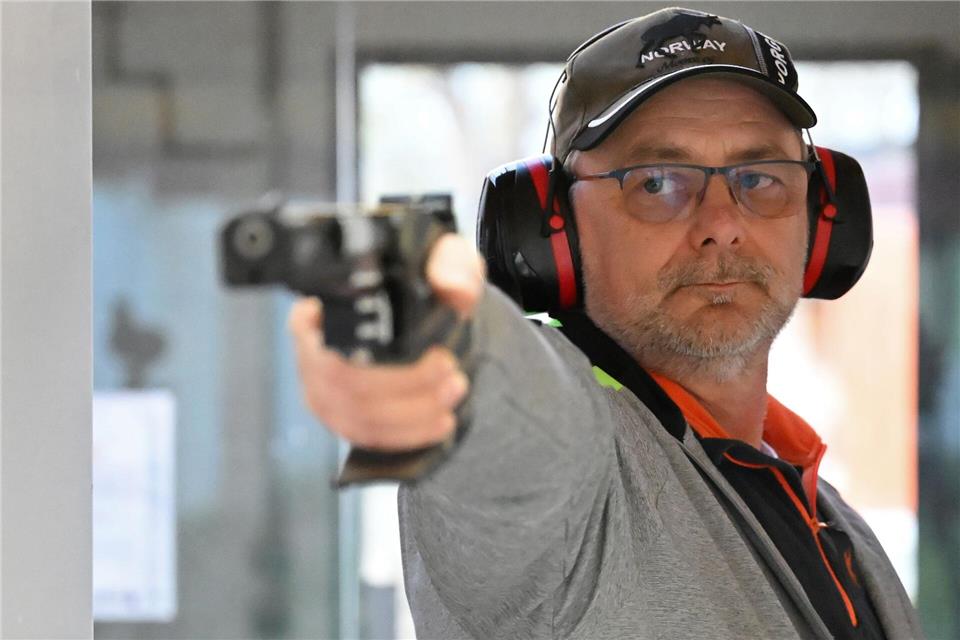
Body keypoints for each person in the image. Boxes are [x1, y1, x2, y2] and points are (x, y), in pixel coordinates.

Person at [288, 7, 922, 639]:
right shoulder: (579, 480)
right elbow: (516, 428)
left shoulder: (825, 513)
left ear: (823, 214)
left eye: (759, 178)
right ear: (549, 230)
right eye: (655, 183)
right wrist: (449, 350)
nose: (721, 224)